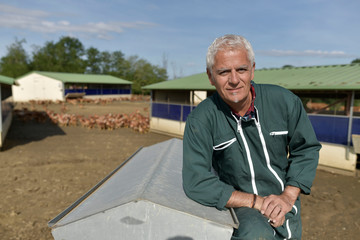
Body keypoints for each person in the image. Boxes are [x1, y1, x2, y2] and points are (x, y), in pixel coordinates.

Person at [182, 34, 321, 239]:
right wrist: (256, 202)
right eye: (223, 72)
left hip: (284, 202)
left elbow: (306, 149)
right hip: (240, 207)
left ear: (252, 69)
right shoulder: (201, 120)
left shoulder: (284, 102)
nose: (234, 80)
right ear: (210, 76)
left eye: (241, 69)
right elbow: (197, 181)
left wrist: (288, 196)